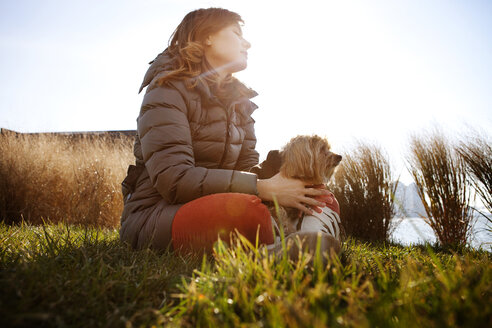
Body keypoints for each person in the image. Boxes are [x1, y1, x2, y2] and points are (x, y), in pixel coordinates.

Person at [119, 8, 334, 255]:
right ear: (207, 37)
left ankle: (313, 247)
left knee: (317, 194)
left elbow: (248, 174)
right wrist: (264, 188)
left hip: (221, 203)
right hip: (156, 215)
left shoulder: (240, 104)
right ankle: (278, 255)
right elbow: (174, 179)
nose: (248, 43)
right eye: (236, 33)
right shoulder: (167, 89)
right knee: (247, 212)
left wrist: (285, 175)